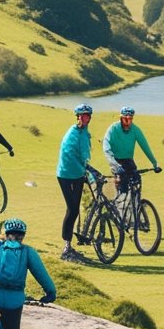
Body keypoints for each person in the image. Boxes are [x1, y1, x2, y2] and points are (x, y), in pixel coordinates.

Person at [56, 104, 93, 262]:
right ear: (78, 117)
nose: (86, 118)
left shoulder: (84, 132)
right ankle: (66, 247)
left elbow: (84, 154)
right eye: (84, 116)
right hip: (66, 175)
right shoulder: (73, 133)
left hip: (78, 174)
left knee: (75, 210)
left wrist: (86, 170)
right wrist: (82, 170)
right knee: (72, 210)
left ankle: (69, 244)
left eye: (88, 116)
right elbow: (68, 154)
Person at [102, 106, 161, 193]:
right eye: (126, 119)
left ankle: (136, 203)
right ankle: (120, 203)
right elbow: (106, 147)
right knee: (123, 183)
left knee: (136, 180)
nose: (128, 122)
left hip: (128, 159)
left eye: (130, 119)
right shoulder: (113, 129)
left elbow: (145, 147)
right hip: (116, 160)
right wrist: (114, 164)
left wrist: (155, 164)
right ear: (121, 118)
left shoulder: (135, 130)